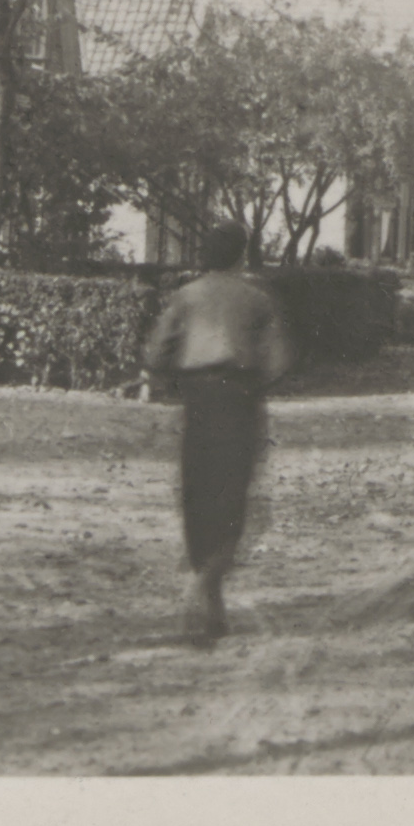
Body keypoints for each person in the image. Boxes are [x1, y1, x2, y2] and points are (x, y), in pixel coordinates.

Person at [143, 222, 296, 647]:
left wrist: (173, 375)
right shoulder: (256, 298)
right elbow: (279, 360)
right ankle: (207, 586)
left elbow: (156, 352)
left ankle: (204, 587)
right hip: (240, 398)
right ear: (240, 255)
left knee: (198, 490)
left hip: (199, 401)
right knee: (233, 493)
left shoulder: (186, 296)